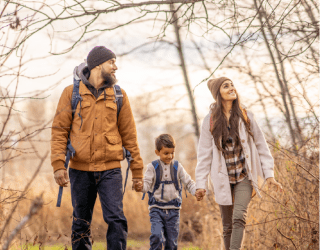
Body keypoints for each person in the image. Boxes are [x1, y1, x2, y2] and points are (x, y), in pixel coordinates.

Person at [51, 46, 144, 249]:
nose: (115, 67)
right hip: (80, 170)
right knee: (80, 223)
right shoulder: (71, 94)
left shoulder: (119, 96)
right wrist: (58, 165)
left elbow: (130, 136)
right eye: (111, 62)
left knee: (116, 220)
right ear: (98, 65)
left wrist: (137, 172)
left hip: (110, 169)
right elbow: (59, 131)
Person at [195, 77, 283, 250]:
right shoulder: (210, 121)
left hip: (244, 177)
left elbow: (262, 146)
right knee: (227, 227)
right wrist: (200, 184)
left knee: (238, 218)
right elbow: (204, 155)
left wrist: (269, 175)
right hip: (222, 179)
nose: (231, 88)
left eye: (232, 85)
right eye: (226, 86)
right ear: (217, 94)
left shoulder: (246, 116)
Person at [135, 134, 196, 250]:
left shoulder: (178, 167)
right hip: (156, 209)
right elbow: (146, 185)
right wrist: (140, 187)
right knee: (157, 236)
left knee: (172, 243)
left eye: (172, 153)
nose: (170, 156)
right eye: (166, 153)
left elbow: (188, 183)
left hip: (174, 211)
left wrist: (196, 191)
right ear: (157, 152)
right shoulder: (152, 167)